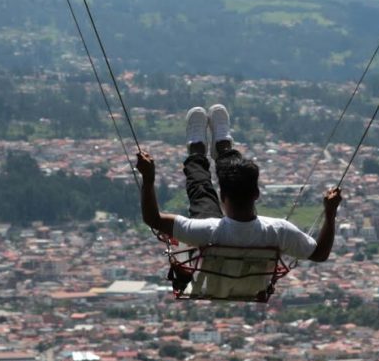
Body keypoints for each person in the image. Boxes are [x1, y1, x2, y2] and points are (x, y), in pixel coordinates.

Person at [137, 104, 343, 297]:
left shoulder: (206, 230)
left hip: (211, 273)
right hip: (252, 284)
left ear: (222, 197)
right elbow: (320, 253)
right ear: (257, 193)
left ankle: (202, 151)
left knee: (201, 193)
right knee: (207, 191)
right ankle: (220, 149)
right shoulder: (279, 232)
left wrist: (148, 178)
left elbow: (153, 218)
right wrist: (330, 212)